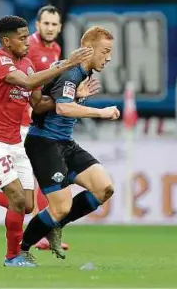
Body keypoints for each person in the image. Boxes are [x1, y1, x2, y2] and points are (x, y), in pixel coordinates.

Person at [0, 15, 94, 267]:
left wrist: (73, 98)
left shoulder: (26, 63)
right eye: (22, 38)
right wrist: (67, 64)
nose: (27, 43)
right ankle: (12, 256)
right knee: (15, 197)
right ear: (6, 41)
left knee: (26, 205)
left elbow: (37, 104)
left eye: (27, 37)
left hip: (16, 141)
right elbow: (25, 82)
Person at [18, 26, 119, 260]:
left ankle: (56, 225)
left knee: (105, 188)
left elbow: (61, 100)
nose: (109, 57)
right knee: (60, 207)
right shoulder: (71, 72)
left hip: (65, 142)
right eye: (104, 51)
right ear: (89, 49)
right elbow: (63, 107)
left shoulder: (83, 72)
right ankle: (22, 250)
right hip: (44, 143)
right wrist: (101, 112)